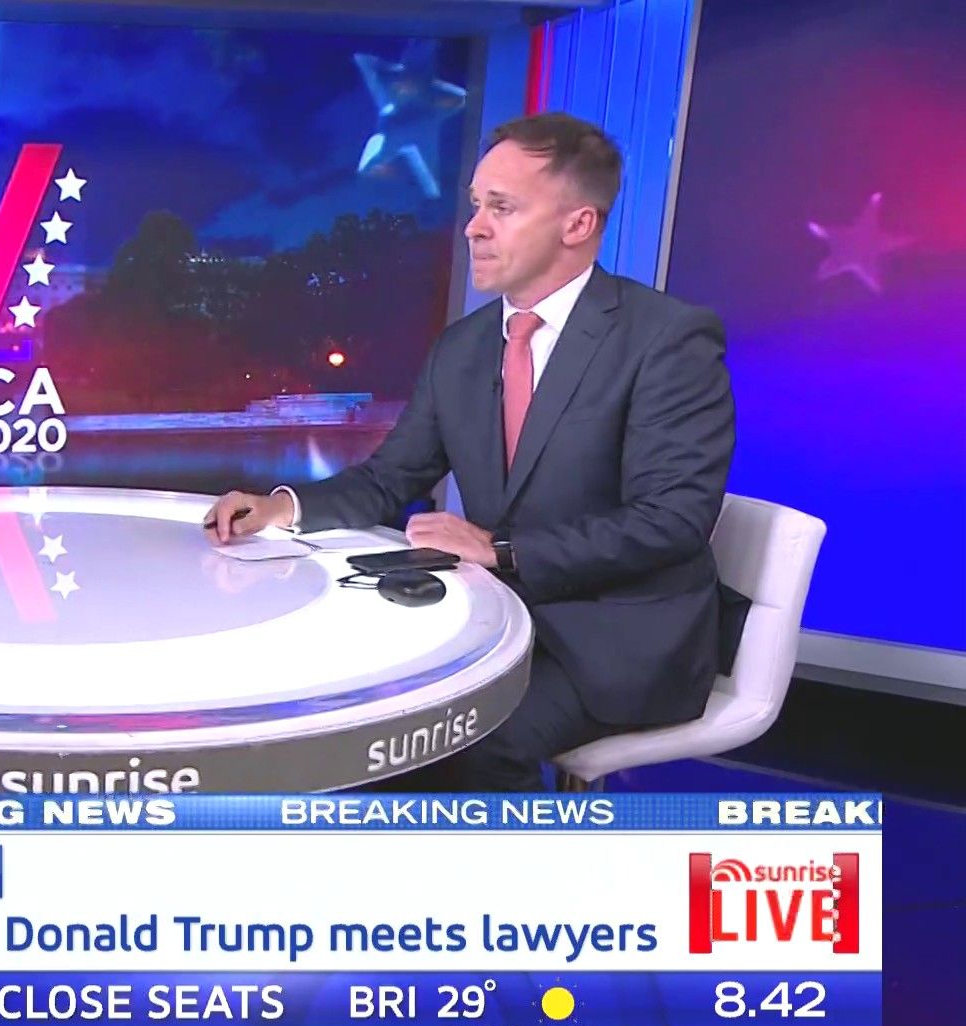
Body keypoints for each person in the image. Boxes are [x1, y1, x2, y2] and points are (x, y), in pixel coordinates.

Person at [207, 113, 734, 792]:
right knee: (361, 714)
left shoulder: (667, 339)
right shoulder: (463, 346)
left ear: (577, 224)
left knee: (465, 738)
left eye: (502, 208)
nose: (474, 228)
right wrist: (280, 508)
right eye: (476, 205)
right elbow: (390, 476)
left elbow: (671, 520)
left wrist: (500, 549)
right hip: (491, 616)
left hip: (616, 640)